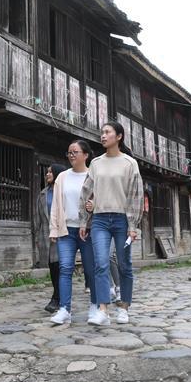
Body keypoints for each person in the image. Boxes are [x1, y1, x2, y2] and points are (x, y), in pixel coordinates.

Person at [80, 121, 143, 326]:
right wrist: (84, 218)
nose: (103, 135)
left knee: (124, 265)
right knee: (101, 263)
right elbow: (86, 191)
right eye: (102, 132)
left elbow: (135, 196)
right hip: (99, 220)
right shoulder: (96, 163)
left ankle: (124, 307)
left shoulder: (129, 163)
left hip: (122, 221)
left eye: (107, 132)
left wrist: (133, 226)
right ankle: (103, 310)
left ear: (119, 136)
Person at [49, 140, 98, 325]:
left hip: (88, 230)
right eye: (69, 152)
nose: (71, 155)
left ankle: (94, 306)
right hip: (66, 230)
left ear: (85, 155)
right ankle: (64, 309)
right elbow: (55, 205)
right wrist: (54, 229)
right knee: (65, 268)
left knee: (90, 270)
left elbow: (100, 198)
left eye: (75, 152)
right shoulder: (62, 177)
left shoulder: (93, 176)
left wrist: (95, 204)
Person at [36, 164, 65, 312]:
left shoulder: (64, 191)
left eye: (50, 172)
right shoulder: (42, 194)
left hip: (62, 235)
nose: (47, 174)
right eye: (46, 172)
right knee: (53, 268)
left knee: (60, 267)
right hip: (47, 236)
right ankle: (58, 296)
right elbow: (38, 218)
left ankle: (57, 298)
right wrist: (37, 237)